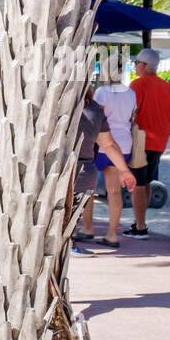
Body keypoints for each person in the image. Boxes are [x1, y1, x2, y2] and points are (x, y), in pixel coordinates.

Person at [72, 84, 138, 257]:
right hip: (111, 151)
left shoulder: (99, 94)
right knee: (113, 192)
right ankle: (111, 234)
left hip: (68, 167)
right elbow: (109, 144)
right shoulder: (96, 107)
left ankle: (85, 231)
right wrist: (124, 170)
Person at [126, 48, 170, 239]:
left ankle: (140, 227)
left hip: (140, 139)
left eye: (136, 63)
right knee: (146, 182)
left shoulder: (137, 85)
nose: (135, 67)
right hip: (159, 141)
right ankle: (139, 222)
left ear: (143, 65)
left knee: (138, 184)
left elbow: (131, 115)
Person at [87, 71, 138, 248]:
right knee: (114, 191)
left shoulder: (102, 92)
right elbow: (132, 117)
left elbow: (96, 117)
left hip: (103, 141)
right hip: (124, 142)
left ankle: (87, 228)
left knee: (89, 189)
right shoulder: (131, 93)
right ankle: (112, 234)